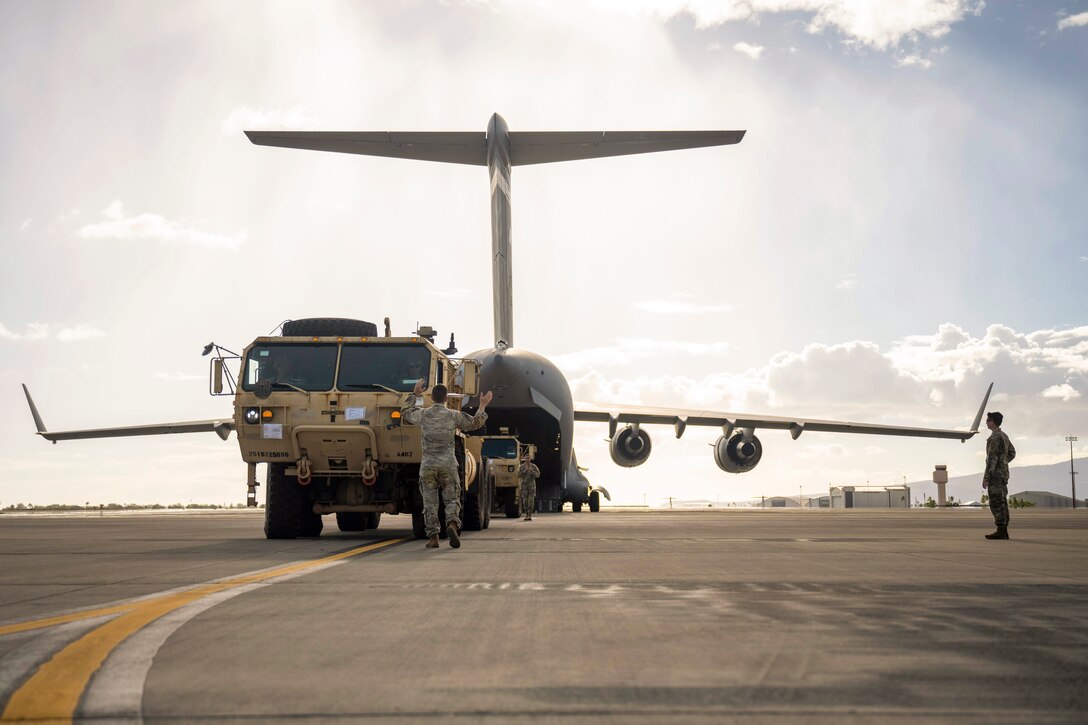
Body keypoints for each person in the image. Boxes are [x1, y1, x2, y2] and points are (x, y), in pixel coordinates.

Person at [402, 380, 492, 549]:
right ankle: (452, 524)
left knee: (430, 503)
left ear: (433, 397)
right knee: (451, 499)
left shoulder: (423, 414)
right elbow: (475, 423)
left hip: (428, 465)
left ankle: (434, 537)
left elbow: (406, 413)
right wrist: (482, 405)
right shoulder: (453, 415)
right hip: (448, 465)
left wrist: (415, 394)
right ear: (445, 399)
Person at [982, 411, 1015, 540]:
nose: (986, 422)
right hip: (1003, 474)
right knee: (1002, 501)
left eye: (988, 420)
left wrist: (987, 477)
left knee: (996, 501)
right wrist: (1004, 463)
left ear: (993, 422)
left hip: (995, 475)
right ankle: (1003, 529)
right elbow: (1012, 453)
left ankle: (1001, 529)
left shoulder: (995, 438)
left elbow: (992, 459)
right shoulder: (1004, 436)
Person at [518, 449, 540, 521]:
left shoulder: (533, 466)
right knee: (525, 501)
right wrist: (525, 471)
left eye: (528, 458)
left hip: (531, 486)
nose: (527, 459)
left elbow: (538, 475)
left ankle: (529, 515)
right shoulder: (521, 466)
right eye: (526, 458)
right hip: (524, 486)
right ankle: (526, 514)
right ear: (524, 459)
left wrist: (532, 471)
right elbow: (518, 475)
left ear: (530, 459)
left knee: (531, 501)